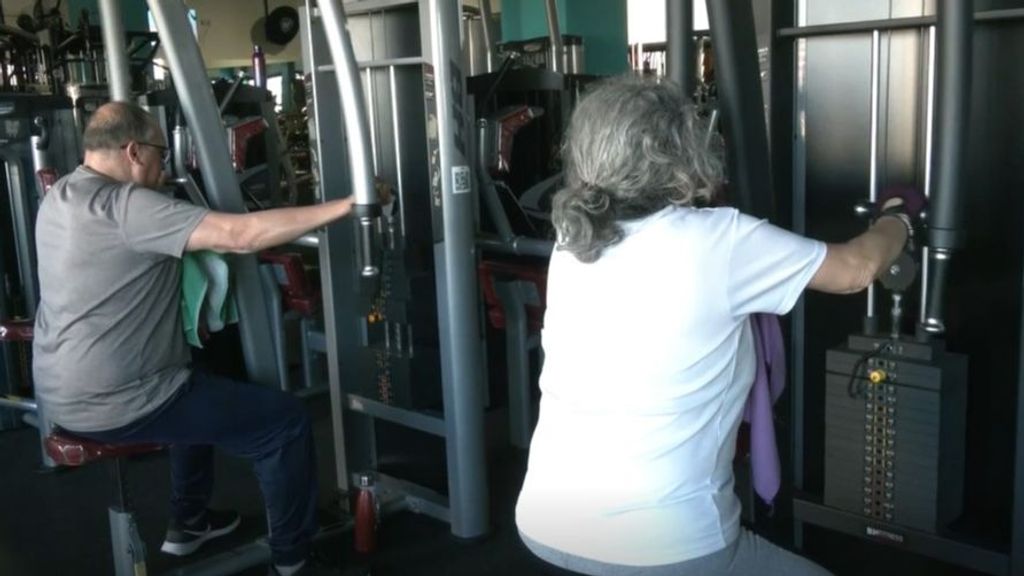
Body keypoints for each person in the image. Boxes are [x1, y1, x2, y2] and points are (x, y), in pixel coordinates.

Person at [515, 78, 916, 576]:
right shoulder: (721, 242)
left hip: (545, 522)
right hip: (666, 545)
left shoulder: (571, 241)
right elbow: (856, 270)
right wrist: (899, 219)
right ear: (682, 150)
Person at [32, 101, 374, 576]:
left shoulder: (61, 195)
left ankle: (189, 523)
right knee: (284, 423)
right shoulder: (128, 206)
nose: (163, 167)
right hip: (118, 401)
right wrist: (349, 205)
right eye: (158, 154)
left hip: (61, 394)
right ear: (133, 151)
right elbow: (241, 234)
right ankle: (294, 559)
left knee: (193, 378)